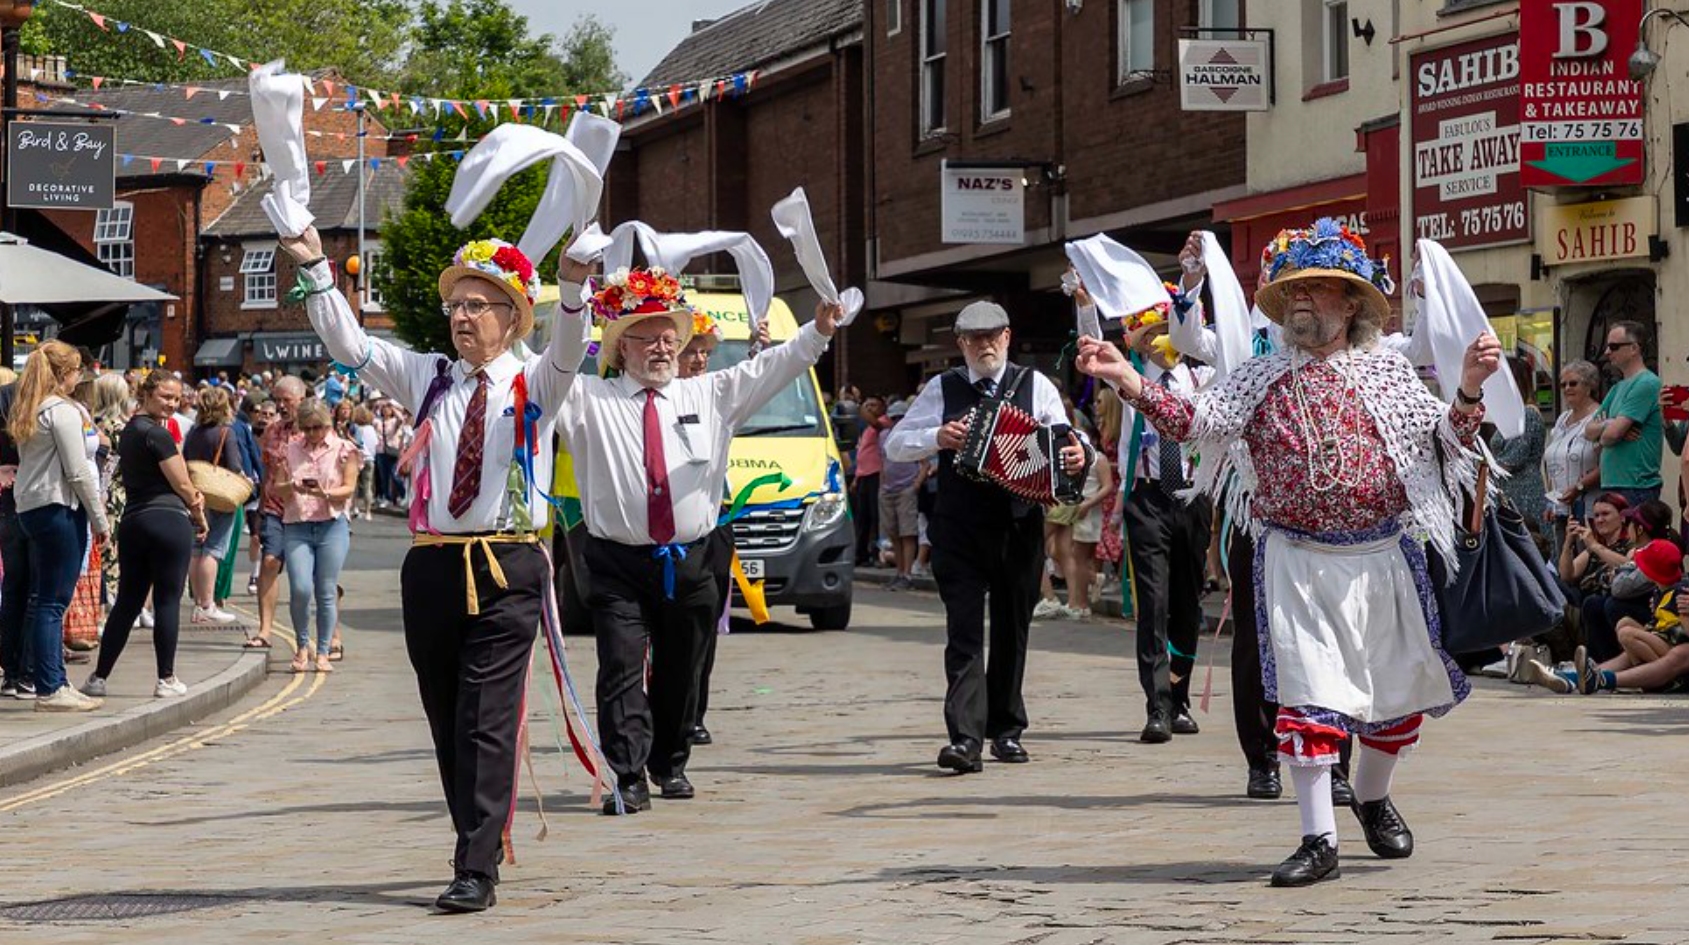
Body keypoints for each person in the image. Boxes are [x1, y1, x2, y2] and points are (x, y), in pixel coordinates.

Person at [1075, 218, 1501, 888]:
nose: (1300, 298)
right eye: (1293, 290)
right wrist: (1126, 376)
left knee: (1396, 700)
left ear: (1351, 304)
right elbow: (1197, 422)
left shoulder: (1388, 372)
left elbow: (1446, 443)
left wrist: (1469, 389)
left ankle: (1370, 797)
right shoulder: (1260, 375)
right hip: (1295, 560)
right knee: (1307, 695)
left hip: (1383, 558)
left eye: (1317, 289)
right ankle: (1317, 837)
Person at [281, 223, 585, 913]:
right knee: (447, 717)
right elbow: (351, 346)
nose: (462, 316)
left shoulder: (535, 380)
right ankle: (477, 837)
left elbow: (570, 348)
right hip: (433, 564)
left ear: (512, 317)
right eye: (457, 305)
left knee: (485, 715)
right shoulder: (431, 376)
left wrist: (572, 287)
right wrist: (317, 270)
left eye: (478, 305)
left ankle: (474, 865)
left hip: (506, 561)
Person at [568, 267, 841, 815]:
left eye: (670, 336)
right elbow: (549, 367)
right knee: (620, 666)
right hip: (616, 563)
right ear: (622, 348)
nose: (663, 347)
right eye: (648, 337)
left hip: (691, 558)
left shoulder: (710, 392)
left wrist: (818, 331)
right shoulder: (588, 398)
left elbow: (773, 367)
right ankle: (628, 774)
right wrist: (570, 293)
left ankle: (669, 761)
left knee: (681, 667)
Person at [884, 301, 1089, 775]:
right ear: (961, 344)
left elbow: (1067, 439)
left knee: (1013, 629)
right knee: (964, 632)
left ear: (1007, 337)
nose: (984, 345)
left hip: (1018, 526)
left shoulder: (1034, 385)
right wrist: (938, 437)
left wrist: (1080, 453)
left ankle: (1007, 729)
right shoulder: (943, 387)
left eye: (992, 336)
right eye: (974, 338)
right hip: (959, 528)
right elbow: (896, 444)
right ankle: (965, 738)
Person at [1101, 283, 1213, 741]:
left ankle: (1180, 697)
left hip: (1192, 494)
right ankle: (1157, 706)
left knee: (1187, 602)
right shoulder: (1127, 379)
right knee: (1154, 601)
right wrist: (1085, 306)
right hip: (1147, 495)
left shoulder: (1203, 379)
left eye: (1168, 330)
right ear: (1139, 341)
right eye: (1152, 333)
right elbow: (1095, 348)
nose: (1161, 340)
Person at [82, 372, 208, 700]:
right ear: (147, 393)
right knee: (167, 600)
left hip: (134, 522)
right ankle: (166, 678)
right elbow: (183, 484)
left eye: (176, 398)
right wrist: (198, 514)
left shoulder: (129, 431)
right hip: (168, 521)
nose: (172, 403)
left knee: (127, 601)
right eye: (165, 396)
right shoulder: (158, 435)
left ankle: (98, 677)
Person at [10, 342, 109, 711]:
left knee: (43, 600)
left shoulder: (30, 408)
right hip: (59, 508)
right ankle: (51, 687)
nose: (79, 376)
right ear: (65, 373)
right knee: (53, 603)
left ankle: (52, 681)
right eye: (77, 370)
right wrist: (100, 521)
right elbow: (78, 472)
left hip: (32, 508)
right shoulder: (62, 411)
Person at [1524, 538, 1687, 694]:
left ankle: (1624, 679)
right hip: (1664, 640)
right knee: (1624, 624)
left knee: (1628, 633)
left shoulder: (1680, 593)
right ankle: (1575, 677)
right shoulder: (1660, 591)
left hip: (1673, 645)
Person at [274, 399, 360, 673]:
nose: (312, 434)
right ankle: (302, 646)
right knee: (300, 588)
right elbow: (276, 488)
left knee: (326, 590)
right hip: (297, 524)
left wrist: (324, 493)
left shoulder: (344, 449)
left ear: (328, 424)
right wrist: (292, 486)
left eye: (318, 428)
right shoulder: (289, 449)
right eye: (307, 428)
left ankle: (323, 651)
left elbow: (349, 488)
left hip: (332, 525)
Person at [249, 376, 306, 648]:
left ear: (301, 400)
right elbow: (267, 472)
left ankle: (331, 635)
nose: (281, 405)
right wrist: (260, 511)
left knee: (314, 576)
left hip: (308, 512)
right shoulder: (270, 431)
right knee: (270, 562)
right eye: (278, 400)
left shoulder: (315, 428)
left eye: (287, 400)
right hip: (274, 509)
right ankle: (265, 631)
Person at [182, 386, 245, 625]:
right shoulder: (226, 433)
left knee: (196, 550)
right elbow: (235, 466)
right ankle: (208, 604)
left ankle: (198, 604)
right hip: (220, 495)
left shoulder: (193, 432)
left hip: (196, 495)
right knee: (213, 550)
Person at [1586, 320, 1662, 507]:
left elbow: (1611, 436)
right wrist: (1608, 424)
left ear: (1634, 348)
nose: (1607, 352)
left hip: (1636, 485)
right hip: (1613, 482)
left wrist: (1606, 433)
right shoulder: (1617, 388)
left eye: (1614, 346)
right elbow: (1587, 431)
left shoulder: (1646, 383)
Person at [1544, 361, 1603, 554]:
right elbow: (1553, 461)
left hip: (1589, 508)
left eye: (1573, 383)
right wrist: (1551, 500)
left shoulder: (1599, 417)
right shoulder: (1562, 419)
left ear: (1589, 386)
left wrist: (1579, 487)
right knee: (1565, 562)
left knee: (1586, 562)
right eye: (1563, 384)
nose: (1567, 388)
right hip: (1561, 509)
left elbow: (1607, 463)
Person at [1488, 358, 1547, 533]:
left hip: (1523, 490)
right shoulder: (1512, 415)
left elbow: (1513, 458)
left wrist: (1482, 474)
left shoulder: (1527, 414)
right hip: (1508, 489)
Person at [0, 378, 29, 700]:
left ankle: (13, 672)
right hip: (30, 504)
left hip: (12, 504)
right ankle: (26, 673)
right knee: (34, 592)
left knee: (14, 589)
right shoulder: (44, 404)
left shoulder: (6, 399)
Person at [878, 401, 923, 591]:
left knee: (907, 533)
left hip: (906, 488)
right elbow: (882, 461)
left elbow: (924, 463)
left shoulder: (912, 436)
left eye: (900, 417)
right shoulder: (883, 436)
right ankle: (899, 572)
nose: (896, 421)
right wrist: (882, 485)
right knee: (893, 533)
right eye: (893, 418)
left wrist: (915, 485)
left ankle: (907, 574)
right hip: (887, 489)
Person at [852, 396, 888, 566]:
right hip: (863, 475)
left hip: (875, 474)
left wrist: (860, 405)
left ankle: (876, 553)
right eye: (868, 405)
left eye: (874, 405)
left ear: (882, 408)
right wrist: (856, 478)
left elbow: (874, 422)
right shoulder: (867, 429)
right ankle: (861, 554)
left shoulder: (884, 422)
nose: (870, 408)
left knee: (875, 516)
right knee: (862, 517)